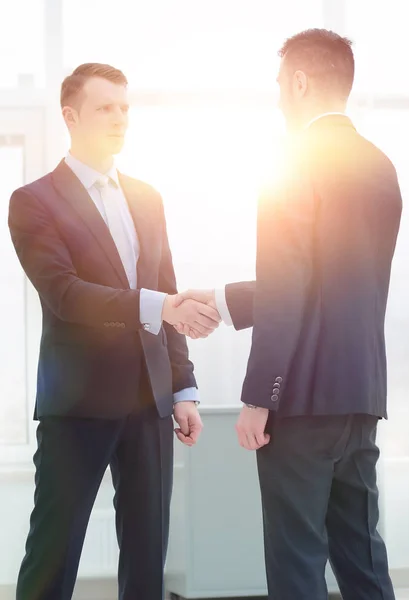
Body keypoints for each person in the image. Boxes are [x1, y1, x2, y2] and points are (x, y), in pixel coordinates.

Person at [177, 29, 401, 599]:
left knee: (296, 559)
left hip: (300, 402)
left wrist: (260, 397)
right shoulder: (381, 167)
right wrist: (225, 300)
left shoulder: (293, 160)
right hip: (359, 396)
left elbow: (291, 283)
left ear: (300, 81)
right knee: (362, 556)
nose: (278, 99)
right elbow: (326, 281)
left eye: (280, 85)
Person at [8, 62, 220, 600]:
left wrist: (185, 387)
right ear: (71, 116)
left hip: (151, 402)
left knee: (148, 559)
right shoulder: (33, 201)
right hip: (77, 405)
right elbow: (65, 295)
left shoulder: (148, 197)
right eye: (106, 107)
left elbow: (165, 289)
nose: (120, 118)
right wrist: (160, 305)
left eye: (125, 107)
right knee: (52, 559)